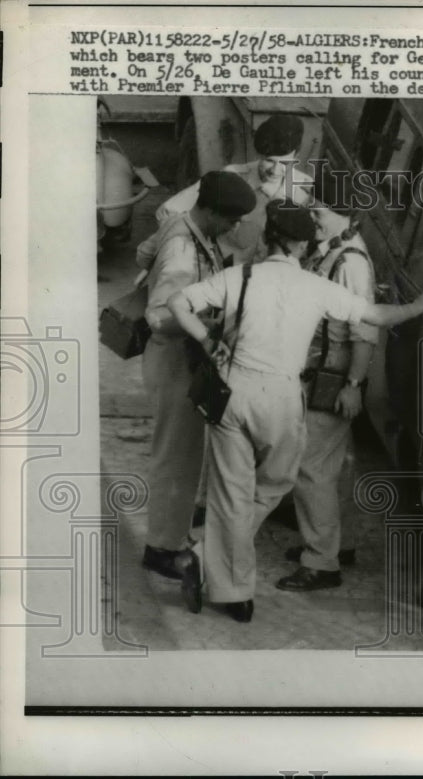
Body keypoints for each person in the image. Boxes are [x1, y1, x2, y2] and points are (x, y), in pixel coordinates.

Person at [167, 199, 423, 622]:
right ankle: (208, 562)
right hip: (281, 396)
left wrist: (207, 340)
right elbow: (377, 316)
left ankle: (230, 588)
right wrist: (422, 304)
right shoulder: (318, 287)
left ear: (267, 238)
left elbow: (179, 302)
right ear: (300, 247)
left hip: (232, 389)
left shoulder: (239, 276)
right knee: (276, 484)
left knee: (229, 493)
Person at [138, 171, 257, 579]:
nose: (234, 226)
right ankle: (162, 547)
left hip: (178, 360)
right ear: (208, 210)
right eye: (231, 218)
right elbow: (157, 315)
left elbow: (141, 252)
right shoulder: (183, 250)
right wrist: (207, 322)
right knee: (177, 457)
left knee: (182, 455)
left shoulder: (181, 223)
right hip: (176, 362)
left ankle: (169, 535)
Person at [279, 173, 379, 592]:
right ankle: (341, 545)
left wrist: (353, 384)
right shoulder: (333, 251)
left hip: (331, 379)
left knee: (312, 468)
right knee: (334, 466)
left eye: (321, 210)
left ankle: (321, 562)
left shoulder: (351, 264)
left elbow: (365, 332)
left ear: (347, 215)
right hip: (323, 374)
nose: (314, 217)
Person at [155, 114, 314, 267]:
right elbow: (167, 211)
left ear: (296, 155)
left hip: (270, 280)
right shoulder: (232, 176)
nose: (275, 170)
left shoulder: (305, 188)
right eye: (269, 161)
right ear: (259, 154)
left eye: (284, 163)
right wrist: (192, 255)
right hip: (222, 273)